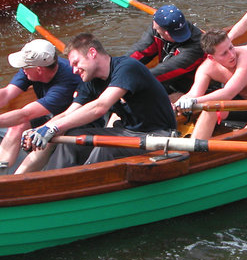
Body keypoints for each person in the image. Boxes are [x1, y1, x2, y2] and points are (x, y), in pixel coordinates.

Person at [21, 33, 177, 171]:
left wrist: (54, 128)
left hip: (158, 135)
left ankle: (80, 185)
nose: (74, 70)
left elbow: (100, 107)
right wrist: (40, 130)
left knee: (106, 147)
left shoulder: (127, 68)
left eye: (76, 63)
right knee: (73, 135)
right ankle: (51, 181)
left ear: (92, 53)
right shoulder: (90, 81)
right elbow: (69, 113)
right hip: (130, 132)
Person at [0, 39, 81, 175]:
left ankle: (18, 178)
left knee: (42, 137)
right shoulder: (32, 70)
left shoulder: (65, 84)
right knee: (18, 126)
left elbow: (25, 114)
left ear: (39, 69)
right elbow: (6, 93)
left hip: (74, 120)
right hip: (52, 113)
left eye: (24, 67)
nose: (22, 70)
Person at [175, 29, 247, 139]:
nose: (232, 55)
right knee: (211, 109)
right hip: (245, 103)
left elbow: (228, 92)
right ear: (211, 57)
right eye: (224, 53)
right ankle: (194, 151)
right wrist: (179, 103)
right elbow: (194, 94)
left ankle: (233, 153)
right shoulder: (206, 69)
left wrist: (194, 102)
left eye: (231, 47)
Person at [128, 4, 204, 98]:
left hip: (189, 88)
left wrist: (128, 82)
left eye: (156, 29)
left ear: (166, 33)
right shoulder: (157, 28)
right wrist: (116, 67)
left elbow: (165, 70)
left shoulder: (196, 47)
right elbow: (140, 51)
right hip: (169, 83)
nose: (154, 28)